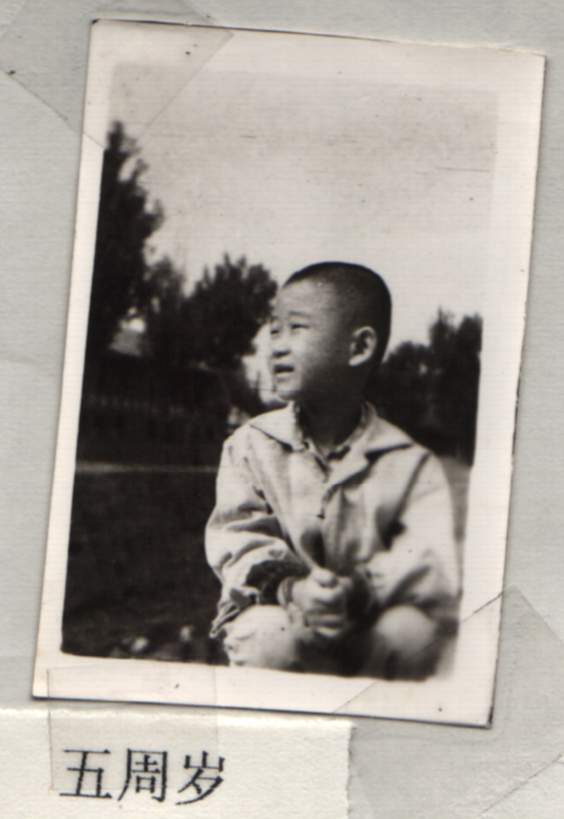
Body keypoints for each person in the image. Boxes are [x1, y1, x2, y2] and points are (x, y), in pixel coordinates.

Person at [205, 261, 460, 679]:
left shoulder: (407, 462)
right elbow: (237, 539)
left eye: (296, 328)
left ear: (359, 348)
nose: (276, 346)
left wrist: (355, 592)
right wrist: (293, 588)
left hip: (366, 618)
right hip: (278, 608)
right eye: (274, 330)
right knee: (267, 636)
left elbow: (426, 559)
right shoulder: (250, 445)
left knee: (413, 634)